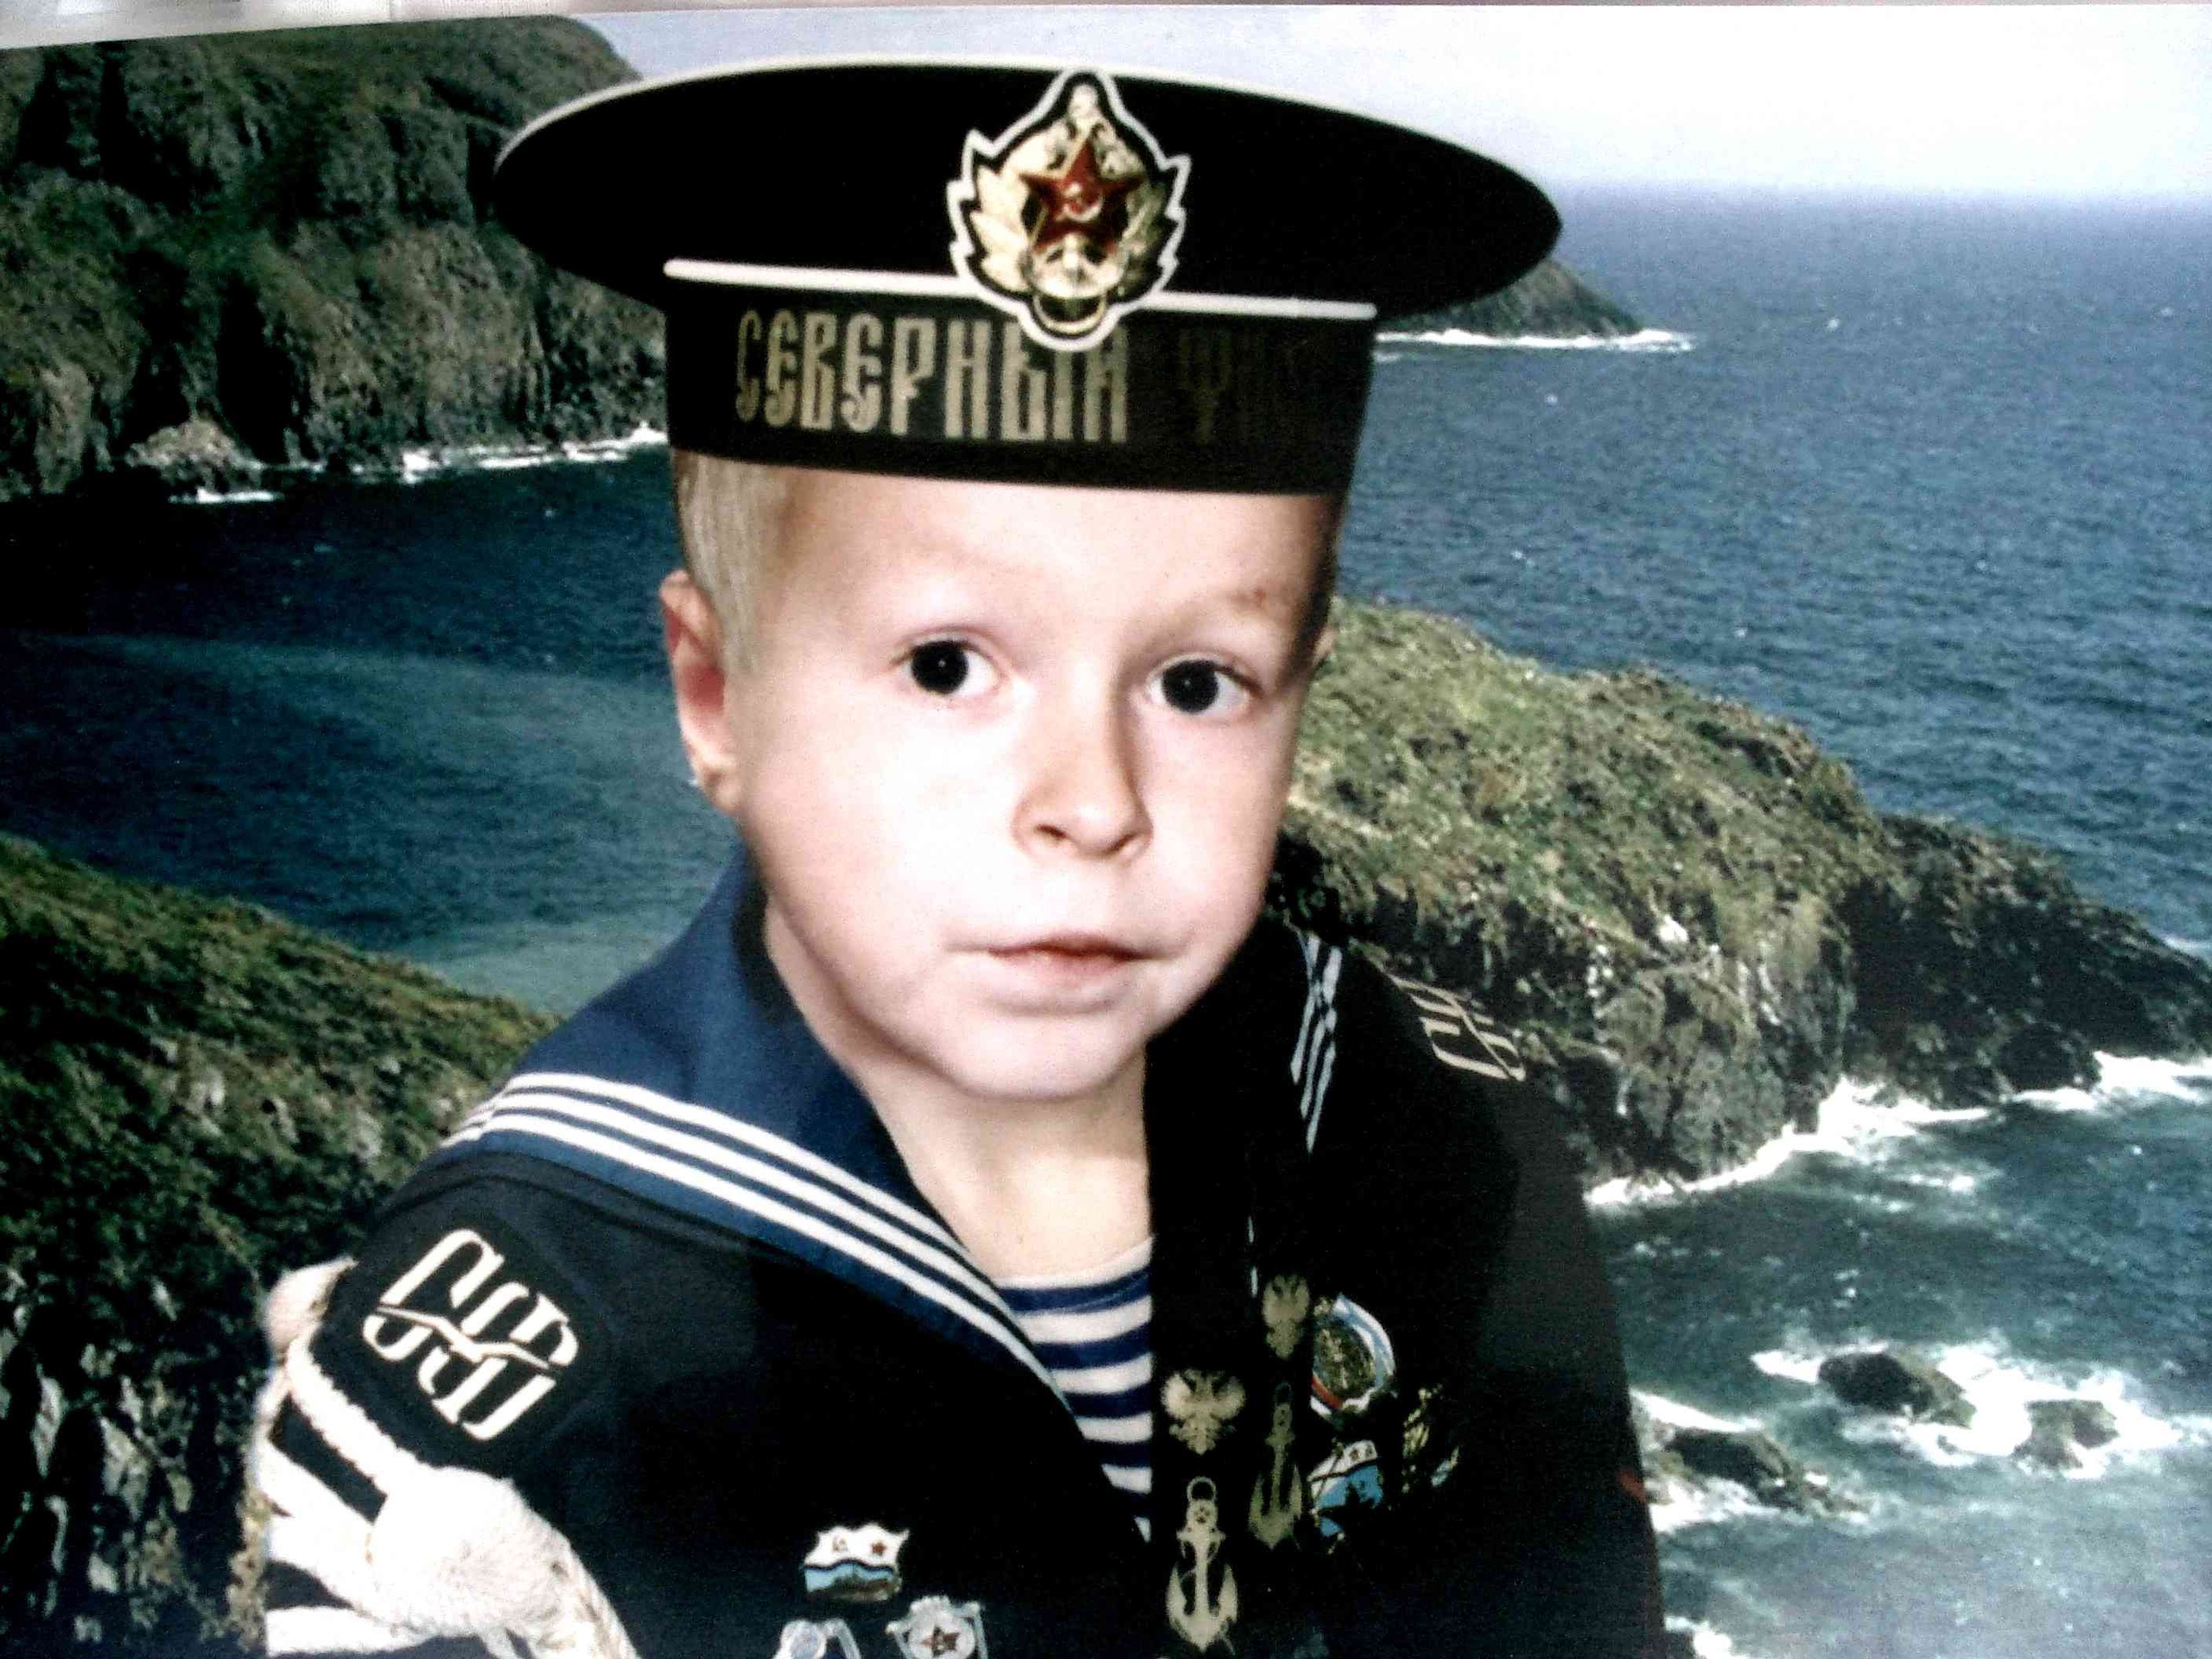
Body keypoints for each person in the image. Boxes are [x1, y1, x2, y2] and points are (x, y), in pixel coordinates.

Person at [241, 60, 1664, 1659]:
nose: (1092, 803)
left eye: (1198, 684)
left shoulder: (1433, 1138)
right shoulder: (504, 1389)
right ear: (715, 701)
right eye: (945, 668)